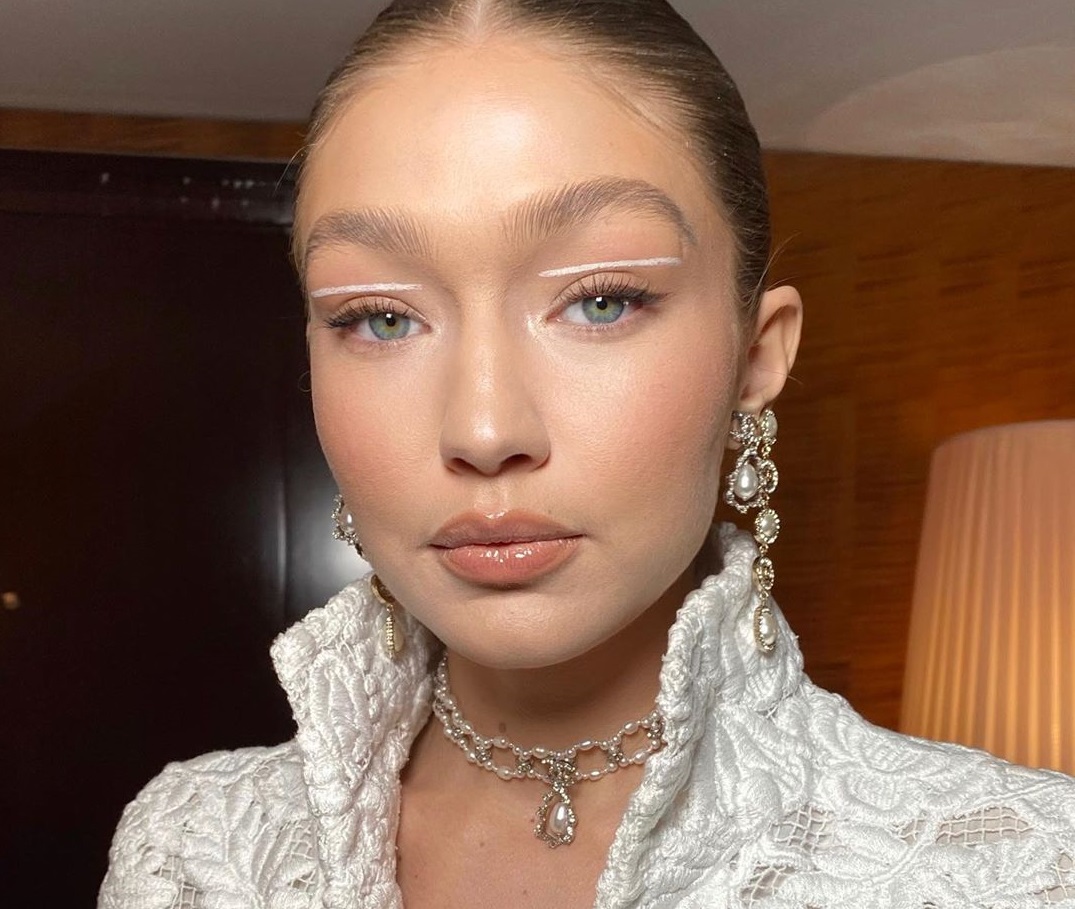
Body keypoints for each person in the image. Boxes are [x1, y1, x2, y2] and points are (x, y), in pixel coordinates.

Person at [98, 1, 1075, 907]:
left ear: (756, 356)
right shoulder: (193, 852)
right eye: (380, 317)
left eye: (601, 301)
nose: (484, 431)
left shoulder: (1017, 868)